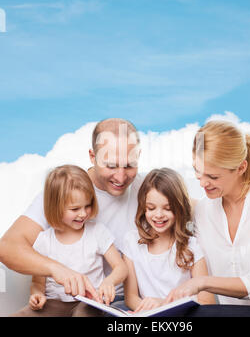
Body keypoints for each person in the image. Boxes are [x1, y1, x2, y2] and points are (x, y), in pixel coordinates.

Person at [0, 118, 143, 309]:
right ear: (92, 156)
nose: (121, 176)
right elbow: (8, 247)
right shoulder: (64, 191)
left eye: (129, 165)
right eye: (110, 166)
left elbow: (187, 208)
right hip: (59, 301)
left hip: (110, 304)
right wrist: (56, 269)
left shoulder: (147, 189)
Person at [165, 120, 250, 317]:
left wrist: (202, 282)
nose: (202, 182)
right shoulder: (203, 210)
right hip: (230, 311)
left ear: (241, 168)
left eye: (212, 176)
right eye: (197, 171)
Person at [11, 165, 128, 317]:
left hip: (89, 303)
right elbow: (38, 283)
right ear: (56, 208)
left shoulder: (97, 231)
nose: (83, 213)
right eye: (75, 209)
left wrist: (109, 282)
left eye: (88, 206)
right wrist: (37, 295)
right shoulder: (45, 240)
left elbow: (121, 267)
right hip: (53, 303)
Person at [123, 168, 215, 314]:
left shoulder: (192, 246)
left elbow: (207, 301)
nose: (158, 215)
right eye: (151, 208)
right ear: (143, 208)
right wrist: (144, 311)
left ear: (179, 208)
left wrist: (163, 306)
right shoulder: (132, 241)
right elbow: (131, 297)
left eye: (168, 208)